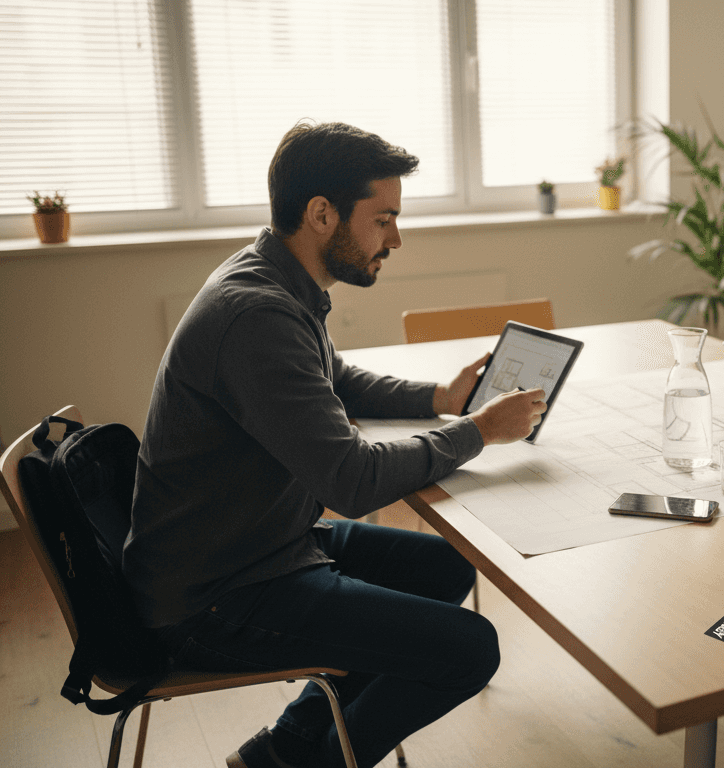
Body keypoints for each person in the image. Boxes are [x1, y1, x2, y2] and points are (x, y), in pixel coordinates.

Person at [123, 121, 547, 768]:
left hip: (257, 544)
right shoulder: (257, 315)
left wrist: (442, 398)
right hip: (216, 595)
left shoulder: (274, 276)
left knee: (449, 564)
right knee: (471, 648)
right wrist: (479, 431)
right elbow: (351, 484)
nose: (396, 239)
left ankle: (288, 745)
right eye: (384, 219)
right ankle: (317, 763)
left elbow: (336, 380)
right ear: (322, 214)